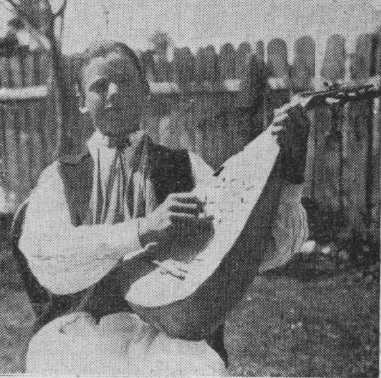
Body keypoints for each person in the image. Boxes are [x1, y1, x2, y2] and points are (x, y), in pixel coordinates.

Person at [19, 40, 309, 376]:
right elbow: (46, 257)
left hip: (167, 331)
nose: (113, 92)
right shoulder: (59, 177)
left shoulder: (187, 168)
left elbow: (264, 249)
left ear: (145, 91)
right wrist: (141, 231)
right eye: (99, 86)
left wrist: (290, 174)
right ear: (83, 100)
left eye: (125, 81)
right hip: (79, 327)